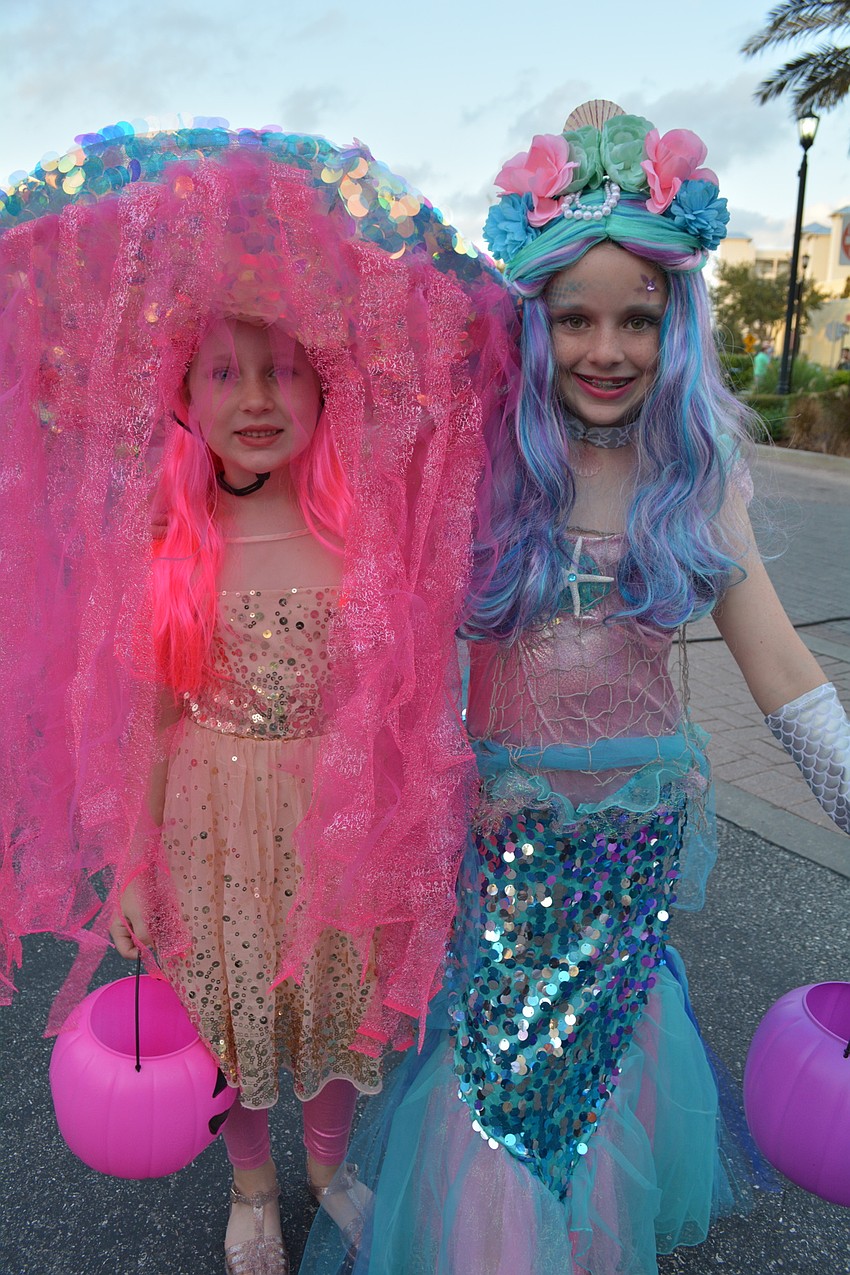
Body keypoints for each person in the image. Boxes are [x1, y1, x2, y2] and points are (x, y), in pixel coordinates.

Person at [301, 101, 850, 1275]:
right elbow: (391, 641)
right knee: (498, 1091)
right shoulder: (481, 463)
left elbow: (782, 666)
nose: (607, 349)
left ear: (678, 322)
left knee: (596, 1089)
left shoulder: (695, 475)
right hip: (507, 850)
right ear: (532, 321)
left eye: (638, 319)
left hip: (631, 854)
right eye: (575, 318)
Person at [0, 124, 513, 1274]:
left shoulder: (365, 539)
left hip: (332, 820)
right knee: (231, 1010)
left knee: (327, 1008)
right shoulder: (172, 546)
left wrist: (414, 815)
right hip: (207, 821)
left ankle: (326, 1163)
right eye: (225, 371)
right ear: (183, 392)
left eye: (282, 368)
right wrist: (131, 861)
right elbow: (145, 716)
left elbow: (404, 697)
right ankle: (248, 1186)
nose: (258, 397)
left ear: (325, 388)